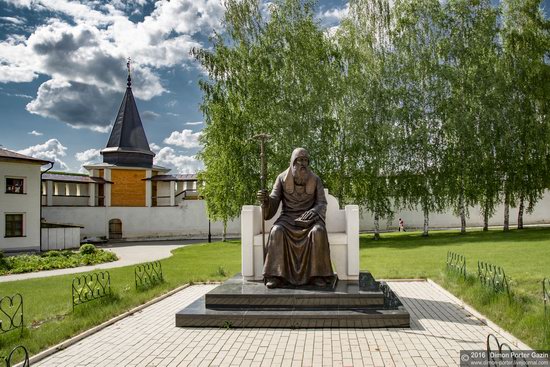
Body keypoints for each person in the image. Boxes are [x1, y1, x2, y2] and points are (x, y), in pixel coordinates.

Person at [257, 148, 335, 289]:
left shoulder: (315, 179)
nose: (303, 164)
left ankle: (317, 275)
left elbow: (322, 203)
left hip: (309, 221)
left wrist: (313, 212)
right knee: (277, 231)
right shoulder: (281, 178)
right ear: (292, 162)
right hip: (287, 219)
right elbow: (274, 200)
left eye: (305, 160)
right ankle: (275, 275)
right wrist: (266, 201)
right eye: (300, 160)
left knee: (318, 232)